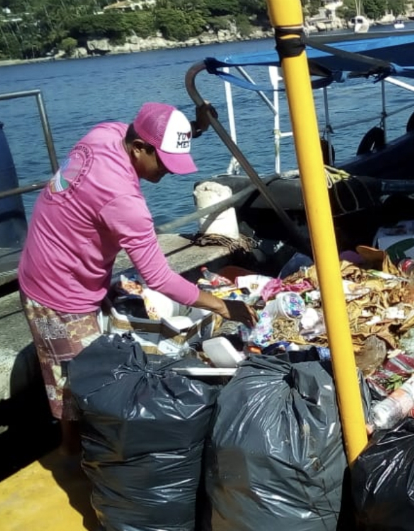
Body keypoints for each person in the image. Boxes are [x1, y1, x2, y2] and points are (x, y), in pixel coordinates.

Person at [17, 101, 255, 455]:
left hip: (59, 263)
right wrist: (222, 306)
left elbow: (150, 130)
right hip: (57, 289)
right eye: (164, 162)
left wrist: (196, 127)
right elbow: (158, 276)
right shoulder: (124, 199)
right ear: (140, 148)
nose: (169, 173)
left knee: (85, 372)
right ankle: (74, 455)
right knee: (78, 383)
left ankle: (88, 447)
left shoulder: (107, 132)